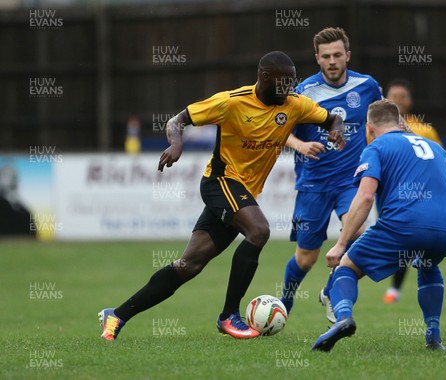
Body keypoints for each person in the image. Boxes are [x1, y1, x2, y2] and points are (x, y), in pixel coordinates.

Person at [98, 51, 345, 341]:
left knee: (188, 266)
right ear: (264, 78)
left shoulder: (294, 105)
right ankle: (229, 314)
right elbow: (176, 121)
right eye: (283, 83)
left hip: (242, 193)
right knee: (259, 230)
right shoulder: (232, 102)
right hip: (220, 182)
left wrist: (336, 132)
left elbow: (332, 119)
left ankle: (117, 314)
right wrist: (177, 144)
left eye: (292, 83)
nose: (288, 89)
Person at [311, 99, 446, 352]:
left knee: (345, 268)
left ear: (369, 128)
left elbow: (366, 196)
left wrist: (340, 244)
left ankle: (343, 318)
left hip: (403, 225)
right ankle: (434, 338)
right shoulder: (438, 150)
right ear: (402, 123)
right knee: (427, 264)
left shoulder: (376, 147)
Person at [279, 27, 382, 322]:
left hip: (351, 181)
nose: (333, 61)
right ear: (317, 59)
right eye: (326, 56)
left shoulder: (367, 86)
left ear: (347, 56)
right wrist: (301, 144)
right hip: (313, 184)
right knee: (306, 258)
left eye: (338, 55)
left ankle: (330, 290)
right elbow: (280, 132)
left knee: (359, 236)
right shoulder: (303, 93)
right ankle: (285, 302)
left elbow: (383, 120)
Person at [382, 78, 443, 304]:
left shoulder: (425, 130)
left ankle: (396, 290)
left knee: (413, 242)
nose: (398, 101)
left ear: (410, 100)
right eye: (393, 96)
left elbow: (439, 160)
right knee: (402, 245)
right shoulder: (374, 129)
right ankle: (395, 287)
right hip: (390, 196)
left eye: (402, 96)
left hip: (421, 196)